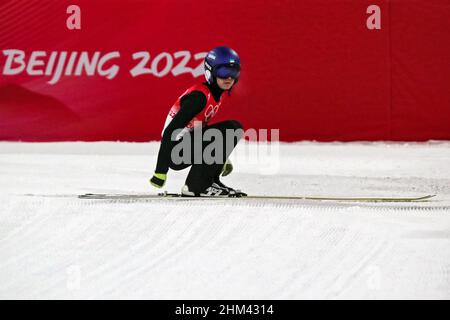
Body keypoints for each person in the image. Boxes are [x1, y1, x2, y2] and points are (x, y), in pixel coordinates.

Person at [149, 46, 246, 197]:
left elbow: (200, 132)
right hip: (175, 151)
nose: (229, 78)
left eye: (233, 72)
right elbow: (170, 132)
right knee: (231, 128)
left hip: (184, 146)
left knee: (231, 129)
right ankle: (196, 186)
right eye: (223, 72)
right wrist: (160, 171)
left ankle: (210, 182)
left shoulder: (216, 94)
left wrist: (221, 158)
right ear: (210, 72)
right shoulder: (199, 98)